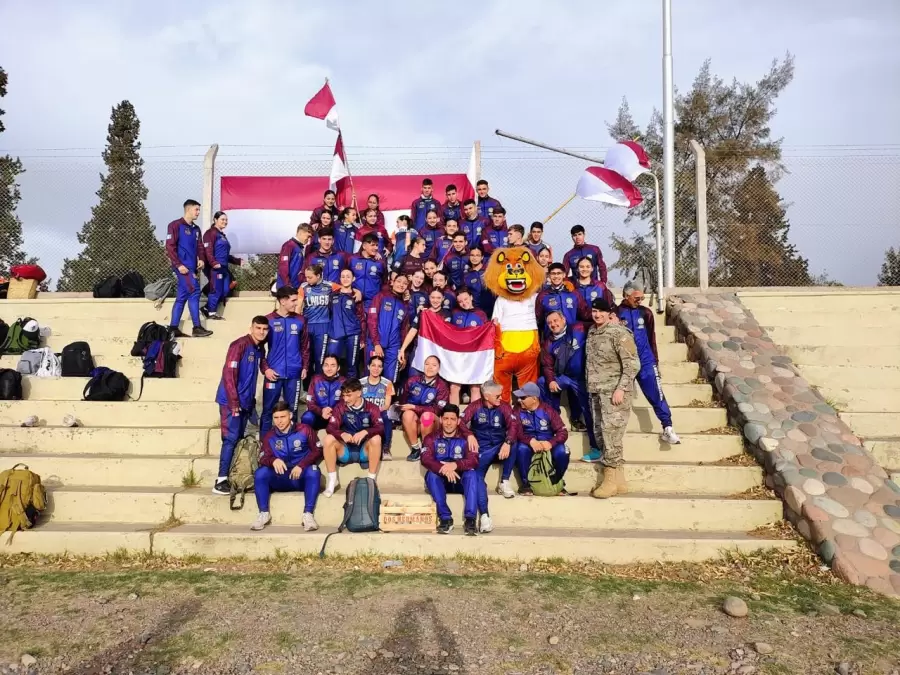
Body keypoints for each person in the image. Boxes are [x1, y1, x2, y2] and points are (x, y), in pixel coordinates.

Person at [586, 297, 640, 498]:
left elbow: (632, 364)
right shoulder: (593, 331)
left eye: (601, 311)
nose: (597, 314)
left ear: (610, 313)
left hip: (615, 393)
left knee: (611, 435)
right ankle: (619, 480)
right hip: (597, 391)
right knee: (603, 434)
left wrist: (621, 389)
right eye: (594, 311)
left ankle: (609, 480)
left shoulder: (619, 333)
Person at [616, 280, 681, 444]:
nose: (640, 301)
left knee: (656, 393)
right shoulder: (615, 313)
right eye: (637, 297)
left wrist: (655, 362)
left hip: (645, 360)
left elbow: (652, 338)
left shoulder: (646, 313)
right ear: (626, 295)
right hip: (624, 363)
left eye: (642, 297)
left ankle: (667, 427)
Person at [213, 316, 269, 495]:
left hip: (245, 402)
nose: (261, 332)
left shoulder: (259, 347)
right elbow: (229, 374)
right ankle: (220, 481)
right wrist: (234, 402)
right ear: (251, 328)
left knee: (237, 438)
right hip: (231, 402)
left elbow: (261, 366)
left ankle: (232, 475)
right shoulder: (239, 345)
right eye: (258, 328)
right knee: (230, 439)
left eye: (264, 329)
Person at [539, 311, 602, 461]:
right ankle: (554, 421)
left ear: (563, 319)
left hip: (583, 379)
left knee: (589, 411)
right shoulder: (548, 343)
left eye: (556, 320)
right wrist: (551, 381)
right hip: (565, 377)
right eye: (550, 323)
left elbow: (597, 323)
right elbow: (547, 366)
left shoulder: (579, 328)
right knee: (542, 382)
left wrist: (613, 319)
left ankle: (596, 448)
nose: (553, 324)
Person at [252, 402, 321, 532]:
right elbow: (262, 457)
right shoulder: (269, 436)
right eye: (276, 418)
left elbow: (317, 450)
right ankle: (263, 513)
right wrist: (273, 460)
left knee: (314, 470)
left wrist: (302, 465)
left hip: (299, 477)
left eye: (282, 417)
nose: (279, 421)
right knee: (261, 473)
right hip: (280, 477)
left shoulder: (305, 430)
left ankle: (308, 515)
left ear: (290, 416)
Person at [461, 380, 518, 532]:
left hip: (500, 447)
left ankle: (504, 481)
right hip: (481, 450)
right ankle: (485, 516)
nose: (501, 398)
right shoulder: (474, 406)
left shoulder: (504, 407)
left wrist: (507, 442)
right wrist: (469, 434)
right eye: (498, 396)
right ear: (487, 396)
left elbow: (514, 426)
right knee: (477, 477)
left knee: (514, 443)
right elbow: (460, 422)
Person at [421, 404, 480, 535]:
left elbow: (474, 460)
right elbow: (425, 459)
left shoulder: (467, 439)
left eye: (452, 419)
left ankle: (470, 519)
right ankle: (445, 519)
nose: (448, 423)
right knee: (431, 475)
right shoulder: (431, 438)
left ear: (458, 421)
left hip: (460, 481)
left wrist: (455, 465)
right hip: (441, 480)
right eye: (446, 418)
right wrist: (443, 468)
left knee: (472, 474)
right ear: (440, 419)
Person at [261, 286, 310, 436]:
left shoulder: (300, 320)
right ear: (282, 301)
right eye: (293, 300)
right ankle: (264, 446)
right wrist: (266, 369)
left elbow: (305, 346)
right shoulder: (268, 320)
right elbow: (259, 349)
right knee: (268, 410)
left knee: (293, 411)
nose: (296, 303)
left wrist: (305, 367)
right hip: (273, 373)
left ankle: (291, 445)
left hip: (294, 374)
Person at [322, 378, 384, 496]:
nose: (345, 399)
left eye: (349, 395)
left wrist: (365, 432)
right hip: (345, 450)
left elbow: (380, 428)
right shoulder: (340, 407)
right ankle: (332, 480)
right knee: (328, 438)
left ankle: (371, 481)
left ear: (359, 393)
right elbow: (330, 427)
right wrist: (341, 434)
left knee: (376, 439)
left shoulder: (371, 408)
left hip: (363, 451)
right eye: (344, 396)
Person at [512, 382, 572, 496]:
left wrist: (551, 443)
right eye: (519, 397)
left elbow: (562, 432)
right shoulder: (517, 410)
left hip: (547, 444)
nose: (519, 400)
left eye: (523, 397)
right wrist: (530, 440)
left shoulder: (548, 410)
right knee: (520, 448)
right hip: (528, 444)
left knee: (563, 451)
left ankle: (556, 481)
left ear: (534, 399)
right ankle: (526, 485)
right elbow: (515, 431)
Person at [166, 199, 212, 338]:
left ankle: (173, 328)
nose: (198, 212)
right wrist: (178, 265)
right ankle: (197, 327)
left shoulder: (196, 229)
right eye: (196, 209)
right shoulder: (175, 225)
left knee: (182, 296)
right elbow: (170, 247)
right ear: (188, 209)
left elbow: (200, 246)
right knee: (195, 291)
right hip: (182, 267)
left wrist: (202, 259)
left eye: (199, 210)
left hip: (192, 268)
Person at [400, 355, 449, 461]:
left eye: (434, 365)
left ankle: (426, 448)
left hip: (432, 422)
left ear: (439, 368)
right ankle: (415, 449)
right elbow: (403, 402)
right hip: (414, 423)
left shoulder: (442, 386)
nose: (430, 367)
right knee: (407, 414)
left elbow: (437, 410)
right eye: (427, 364)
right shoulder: (412, 381)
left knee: (426, 416)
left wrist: (415, 407)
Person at [367, 274, 412, 382]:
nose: (401, 285)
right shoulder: (381, 296)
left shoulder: (405, 306)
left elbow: (404, 331)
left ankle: (389, 399)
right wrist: (376, 343)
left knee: (390, 380)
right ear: (392, 282)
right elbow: (372, 320)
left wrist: (403, 352)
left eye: (405, 283)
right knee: (372, 375)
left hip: (394, 346)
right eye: (399, 281)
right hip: (376, 343)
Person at [448, 288, 487, 405]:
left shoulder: (481, 314)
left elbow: (486, 334)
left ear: (471, 297)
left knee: (475, 388)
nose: (464, 303)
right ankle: (453, 417)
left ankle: (474, 420)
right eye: (460, 301)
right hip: (457, 356)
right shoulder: (454, 313)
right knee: (454, 387)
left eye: (466, 299)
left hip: (474, 356)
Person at [200, 211, 241, 320]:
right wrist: (213, 263)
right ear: (215, 220)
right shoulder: (210, 233)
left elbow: (225, 255)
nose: (225, 222)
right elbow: (208, 250)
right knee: (216, 289)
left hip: (224, 267)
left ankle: (206, 308)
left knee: (226, 290)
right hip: (215, 268)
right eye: (222, 219)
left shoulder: (222, 235)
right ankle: (212, 313)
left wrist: (238, 261)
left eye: (226, 220)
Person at [399, 288, 451, 372]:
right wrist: (402, 349)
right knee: (413, 376)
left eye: (438, 298)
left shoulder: (447, 314)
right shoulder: (423, 313)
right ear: (429, 297)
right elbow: (413, 330)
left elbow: (446, 334)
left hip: (437, 351)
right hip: (419, 348)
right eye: (433, 297)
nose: (435, 300)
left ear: (443, 298)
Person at [327, 269, 366, 378]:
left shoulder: (356, 296)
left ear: (353, 279)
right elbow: (330, 312)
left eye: (348, 276)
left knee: (352, 365)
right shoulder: (333, 295)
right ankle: (334, 390)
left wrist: (362, 337)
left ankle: (351, 391)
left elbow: (361, 317)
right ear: (339, 278)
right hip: (335, 334)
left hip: (353, 334)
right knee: (332, 363)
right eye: (343, 276)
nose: (345, 279)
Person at [535, 263, 591, 335]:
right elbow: (539, 320)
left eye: (559, 273)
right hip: (552, 338)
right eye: (553, 273)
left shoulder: (574, 293)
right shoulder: (542, 296)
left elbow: (584, 314)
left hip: (572, 336)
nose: (556, 276)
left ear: (564, 275)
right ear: (548, 275)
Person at [298, 264, 332, 374]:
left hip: (323, 326)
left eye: (310, 277)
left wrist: (357, 291)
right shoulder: (303, 287)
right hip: (307, 325)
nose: (307, 280)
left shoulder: (329, 286)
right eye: (306, 277)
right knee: (307, 357)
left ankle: (318, 384)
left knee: (320, 358)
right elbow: (298, 307)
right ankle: (308, 387)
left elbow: (346, 288)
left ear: (318, 276)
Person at [361, 355, 395, 460]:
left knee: (387, 415)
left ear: (382, 368)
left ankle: (385, 448)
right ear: (368, 367)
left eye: (379, 366)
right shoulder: (360, 383)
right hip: (363, 412)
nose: (376, 369)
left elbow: (387, 404)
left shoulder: (387, 383)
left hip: (380, 412)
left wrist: (375, 411)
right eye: (373, 365)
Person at [301, 354, 345, 430]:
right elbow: (310, 402)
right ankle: (309, 439)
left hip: (336, 415)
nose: (329, 368)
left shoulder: (343, 381)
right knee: (307, 417)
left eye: (333, 365)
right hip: (319, 414)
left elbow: (345, 402)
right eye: (326, 365)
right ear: (322, 367)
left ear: (338, 368)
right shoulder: (315, 379)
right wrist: (322, 411)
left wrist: (333, 411)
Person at [349, 233, 387, 310]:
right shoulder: (352, 259)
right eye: (372, 245)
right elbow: (345, 278)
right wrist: (353, 291)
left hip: (372, 303)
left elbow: (385, 282)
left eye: (377, 245)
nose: (376, 248)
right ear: (364, 246)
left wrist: (379, 298)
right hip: (354, 299)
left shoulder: (380, 263)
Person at [277, 223, 312, 290]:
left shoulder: (299, 247)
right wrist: (288, 285)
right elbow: (283, 267)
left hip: (295, 286)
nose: (308, 239)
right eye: (308, 236)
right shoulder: (289, 245)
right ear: (301, 232)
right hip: (287, 287)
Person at [464, 247, 492, 316]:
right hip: (475, 312)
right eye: (472, 255)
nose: (474, 258)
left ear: (482, 257)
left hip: (492, 310)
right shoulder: (466, 276)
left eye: (477, 255)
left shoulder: (489, 271)